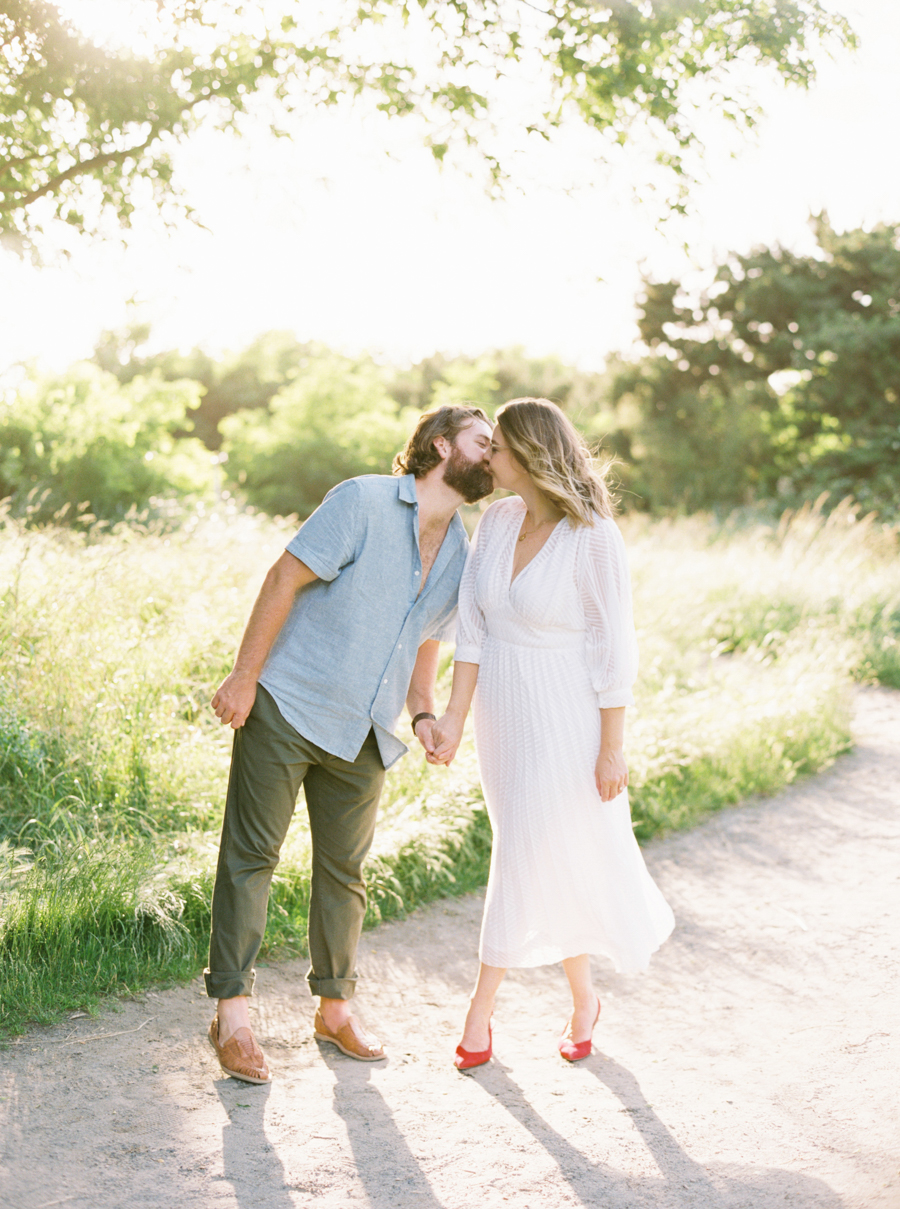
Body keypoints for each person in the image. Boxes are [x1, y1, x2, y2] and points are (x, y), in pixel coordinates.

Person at [205, 404, 494, 1084]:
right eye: (485, 442)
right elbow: (284, 576)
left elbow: (426, 640)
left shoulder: (460, 549)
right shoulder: (362, 500)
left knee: (345, 875)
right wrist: (244, 676)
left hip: (366, 730)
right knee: (251, 857)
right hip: (287, 704)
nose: (494, 456)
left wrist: (424, 715)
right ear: (440, 443)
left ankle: (334, 1008)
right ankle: (233, 1016)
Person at [430, 397, 674, 1069]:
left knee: (521, 853)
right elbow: (473, 633)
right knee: (540, 847)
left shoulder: (592, 534)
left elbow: (612, 648)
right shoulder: (499, 521)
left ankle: (479, 1014)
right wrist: (452, 716)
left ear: (531, 454)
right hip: (502, 715)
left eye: (498, 448)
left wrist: (612, 745)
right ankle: (584, 1000)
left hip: (565, 717)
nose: (490, 459)